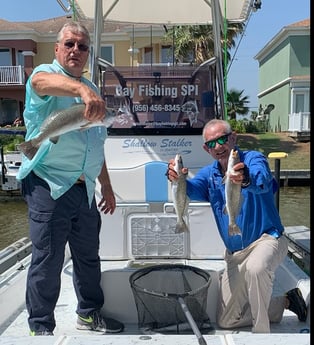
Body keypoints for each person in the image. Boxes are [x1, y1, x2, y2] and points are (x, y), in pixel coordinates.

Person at [17, 21, 124, 336]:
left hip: (84, 189)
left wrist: (105, 185)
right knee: (48, 259)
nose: (76, 50)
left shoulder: (91, 94)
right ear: (58, 48)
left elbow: (95, 143)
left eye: (83, 46)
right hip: (48, 185)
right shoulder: (44, 76)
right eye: (70, 44)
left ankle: (89, 314)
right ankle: (41, 327)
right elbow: (40, 84)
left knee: (89, 256)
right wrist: (80, 88)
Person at [166, 119, 307, 333]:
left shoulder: (253, 159)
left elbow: (262, 181)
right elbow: (192, 190)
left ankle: (261, 334)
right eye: (211, 143)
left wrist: (246, 179)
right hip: (235, 253)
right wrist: (179, 178)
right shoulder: (209, 174)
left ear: (233, 138)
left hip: (268, 239)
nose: (218, 146)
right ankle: (286, 302)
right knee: (226, 321)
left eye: (222, 139)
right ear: (206, 149)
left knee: (256, 268)